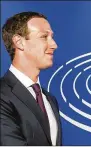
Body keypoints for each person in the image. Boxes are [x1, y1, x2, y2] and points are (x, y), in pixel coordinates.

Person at [0, 12, 62, 145]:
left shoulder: (50, 100)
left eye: (52, 37)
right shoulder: (2, 95)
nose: (54, 45)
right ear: (19, 42)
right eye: (44, 37)